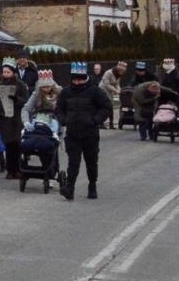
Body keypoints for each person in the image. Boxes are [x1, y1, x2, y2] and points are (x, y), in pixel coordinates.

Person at [54, 62, 112, 200]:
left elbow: (106, 107)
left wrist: (96, 120)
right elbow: (59, 109)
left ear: (85, 77)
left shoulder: (95, 91)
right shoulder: (66, 92)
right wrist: (63, 119)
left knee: (91, 161)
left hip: (90, 133)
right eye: (75, 79)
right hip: (73, 133)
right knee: (73, 162)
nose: (77, 82)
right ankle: (70, 188)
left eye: (80, 79)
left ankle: (92, 185)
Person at [0, 58, 30, 179]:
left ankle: (18, 169)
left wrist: (16, 100)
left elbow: (26, 101)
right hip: (5, 119)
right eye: (4, 72)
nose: (5, 74)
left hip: (17, 119)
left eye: (8, 72)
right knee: (8, 145)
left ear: (13, 73)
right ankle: (10, 169)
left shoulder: (20, 85)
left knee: (17, 145)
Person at [99, 60, 128, 131]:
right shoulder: (108, 73)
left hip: (110, 92)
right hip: (103, 90)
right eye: (121, 71)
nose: (122, 73)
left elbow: (117, 83)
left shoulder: (118, 75)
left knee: (110, 107)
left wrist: (119, 90)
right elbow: (106, 84)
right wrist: (115, 90)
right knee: (104, 106)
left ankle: (111, 124)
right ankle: (101, 123)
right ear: (118, 69)